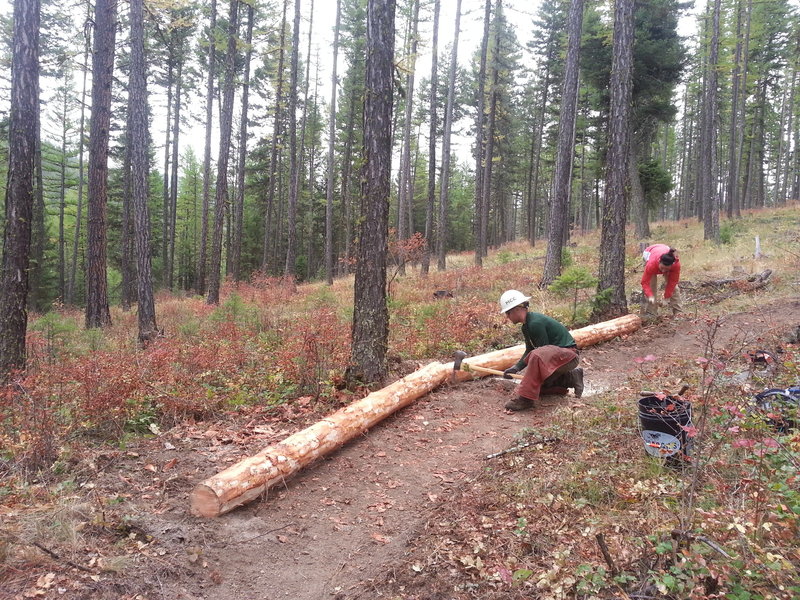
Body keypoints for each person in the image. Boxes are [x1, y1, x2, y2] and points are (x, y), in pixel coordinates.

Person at [498, 289, 584, 411]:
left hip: (569, 356)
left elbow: (542, 354)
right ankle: (571, 377)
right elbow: (530, 350)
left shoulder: (535, 323)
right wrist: (516, 368)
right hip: (558, 358)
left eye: (508, 312)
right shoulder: (527, 326)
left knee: (538, 357)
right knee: (540, 388)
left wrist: (528, 385)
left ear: (517, 309)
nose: (507, 316)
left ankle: (525, 400)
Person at [640, 244, 681, 318]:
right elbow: (645, 282)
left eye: (666, 269)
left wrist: (666, 297)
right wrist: (650, 296)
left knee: (674, 288)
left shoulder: (676, 265)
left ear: (671, 265)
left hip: (663, 252)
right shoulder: (651, 264)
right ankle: (651, 313)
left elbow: (672, 282)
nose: (663, 271)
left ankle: (678, 312)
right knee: (651, 286)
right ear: (659, 262)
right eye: (662, 268)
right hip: (649, 253)